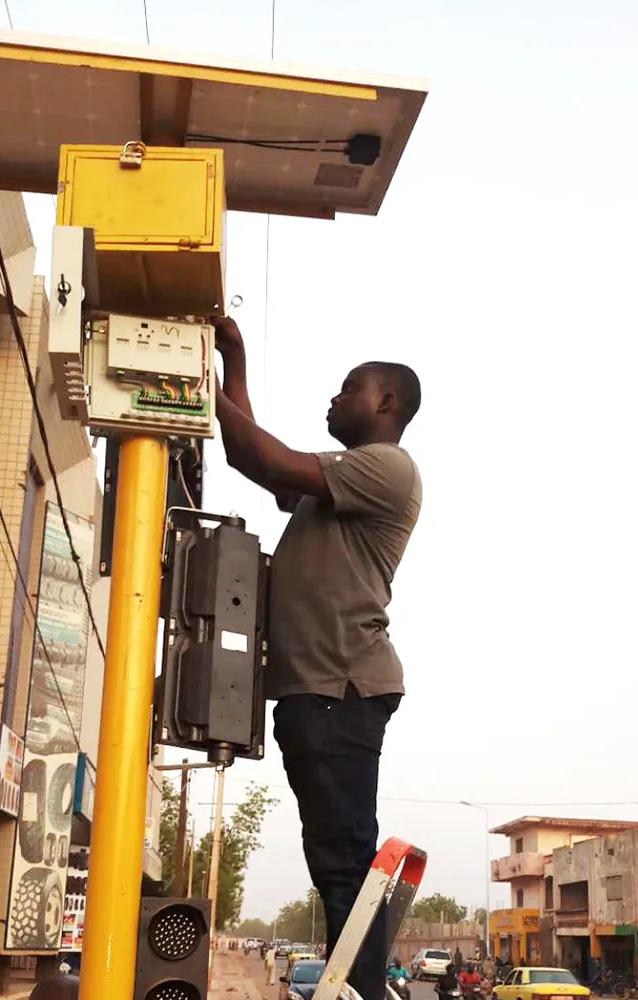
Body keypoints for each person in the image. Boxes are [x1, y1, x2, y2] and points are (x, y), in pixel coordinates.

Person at [212, 317, 423, 1000]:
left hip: (343, 689)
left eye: (348, 389)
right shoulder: (333, 487)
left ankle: (354, 994)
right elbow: (252, 457)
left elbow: (270, 459)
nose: (333, 400)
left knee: (343, 869)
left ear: (385, 403)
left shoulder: (385, 469)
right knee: (337, 864)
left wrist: (191, 379)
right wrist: (229, 362)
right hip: (320, 695)